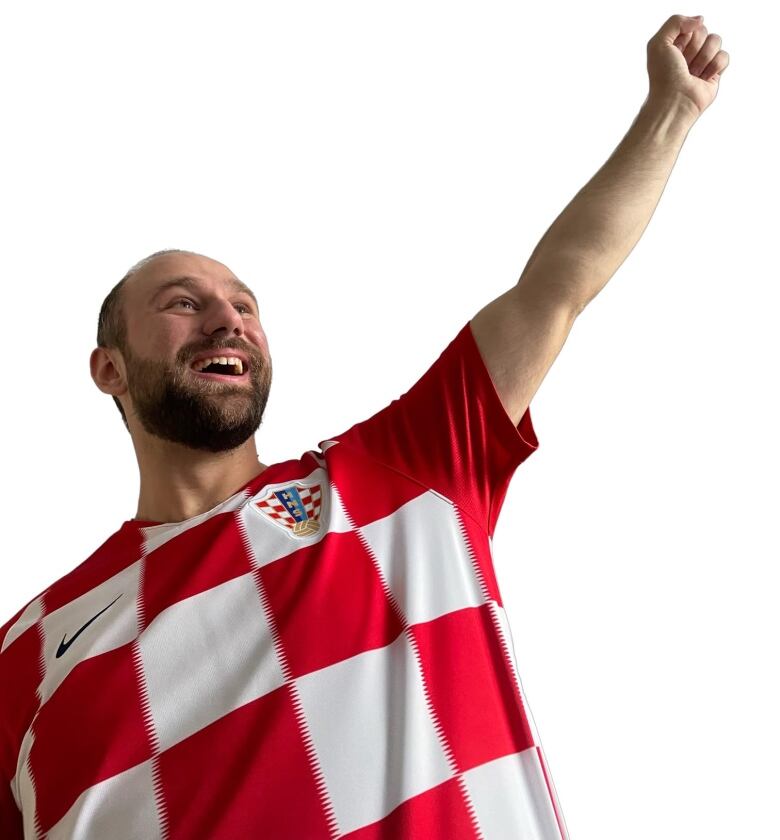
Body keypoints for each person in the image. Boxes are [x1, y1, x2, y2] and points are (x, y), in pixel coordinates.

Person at [0, 14, 728, 839]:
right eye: (182, 304)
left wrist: (672, 112)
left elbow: (557, 285)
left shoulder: (398, 473)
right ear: (110, 369)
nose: (227, 320)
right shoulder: (26, 652)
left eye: (245, 306)